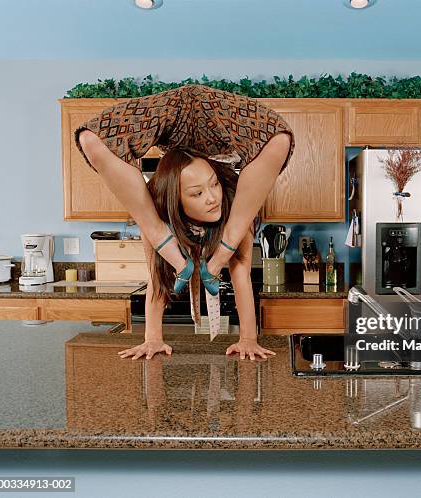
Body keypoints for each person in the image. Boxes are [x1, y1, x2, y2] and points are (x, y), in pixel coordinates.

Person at [74, 83, 295, 359]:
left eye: (213, 184)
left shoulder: (234, 205)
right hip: (169, 120)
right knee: (89, 137)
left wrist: (248, 338)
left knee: (280, 139)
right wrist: (152, 338)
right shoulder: (158, 215)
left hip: (216, 118)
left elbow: (241, 274)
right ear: (176, 202)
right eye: (197, 193)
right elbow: (156, 279)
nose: (212, 197)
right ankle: (168, 246)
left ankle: (213, 263)